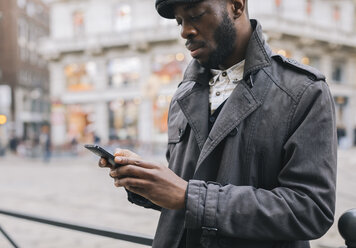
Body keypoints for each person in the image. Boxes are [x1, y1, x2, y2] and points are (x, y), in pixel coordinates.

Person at [99, 0, 337, 247]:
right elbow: (183, 193)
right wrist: (146, 181)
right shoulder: (183, 94)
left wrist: (188, 196)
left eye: (195, 15)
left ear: (236, 5)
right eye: (179, 21)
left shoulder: (304, 91)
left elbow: (311, 210)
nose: (184, 31)